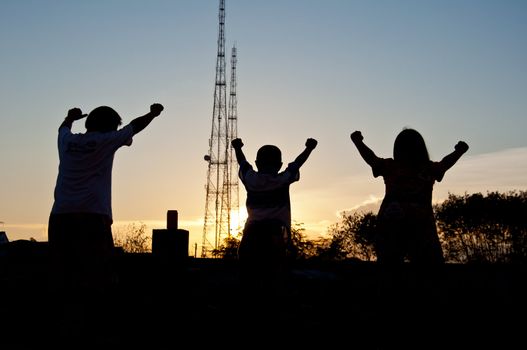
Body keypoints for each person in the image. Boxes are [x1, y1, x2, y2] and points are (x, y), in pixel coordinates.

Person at [47, 103, 164, 340]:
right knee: (96, 274)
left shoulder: (67, 142)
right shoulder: (106, 141)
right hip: (92, 217)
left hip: (60, 216)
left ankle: (60, 328)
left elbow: (62, 129)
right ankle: (94, 330)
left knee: (64, 274)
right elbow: (135, 126)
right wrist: (153, 113)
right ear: (110, 127)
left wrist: (69, 117)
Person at [350, 128, 469, 265]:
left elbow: (371, 159)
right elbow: (445, 163)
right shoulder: (427, 169)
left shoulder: (391, 167)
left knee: (390, 266)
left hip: (392, 225)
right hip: (420, 227)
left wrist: (358, 143)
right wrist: (459, 152)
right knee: (429, 268)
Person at [231, 137, 318, 295]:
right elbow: (298, 163)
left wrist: (237, 148)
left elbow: (242, 162)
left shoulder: (251, 179)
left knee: (249, 279)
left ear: (257, 163)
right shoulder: (282, 180)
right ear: (279, 165)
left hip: (251, 235)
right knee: (274, 279)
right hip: (275, 237)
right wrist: (309, 148)